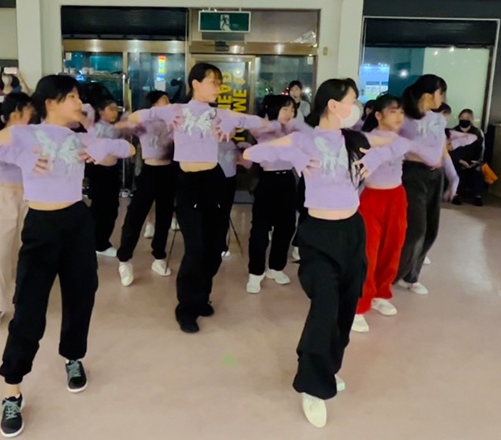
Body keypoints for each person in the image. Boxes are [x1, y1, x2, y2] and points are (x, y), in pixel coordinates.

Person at [0, 74, 134, 438]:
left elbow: (127, 150)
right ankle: (12, 390)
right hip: (41, 225)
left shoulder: (78, 137)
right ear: (51, 102)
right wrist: (16, 155)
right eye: (72, 97)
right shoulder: (24, 133)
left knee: (81, 295)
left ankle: (73, 357)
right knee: (29, 307)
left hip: (77, 222)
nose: (79, 103)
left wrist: (99, 149)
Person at [243, 78, 397, 428]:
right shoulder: (305, 138)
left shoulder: (354, 140)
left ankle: (327, 367)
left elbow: (394, 145)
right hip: (319, 233)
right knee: (325, 307)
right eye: (352, 101)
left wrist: (376, 157)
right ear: (333, 104)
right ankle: (312, 386)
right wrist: (294, 155)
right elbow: (252, 153)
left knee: (345, 308)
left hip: (352, 231)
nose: (356, 107)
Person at [129, 62, 268, 334]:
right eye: (213, 82)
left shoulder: (219, 114)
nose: (218, 87)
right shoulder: (176, 110)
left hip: (213, 180)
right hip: (188, 183)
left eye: (219, 82)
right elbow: (135, 117)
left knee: (215, 246)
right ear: (195, 83)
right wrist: (164, 122)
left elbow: (259, 122)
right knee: (195, 248)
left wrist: (239, 125)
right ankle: (186, 308)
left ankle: (202, 296)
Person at [351, 94, 444, 333]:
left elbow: (434, 158)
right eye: (393, 111)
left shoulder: (403, 140)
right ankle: (359, 305)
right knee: (369, 252)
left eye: (402, 111)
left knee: (393, 247)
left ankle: (381, 293)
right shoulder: (366, 138)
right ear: (378, 115)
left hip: (397, 197)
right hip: (372, 198)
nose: (399, 116)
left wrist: (435, 133)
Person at [394, 75, 459, 295]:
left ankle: (411, 276)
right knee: (416, 229)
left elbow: (441, 151)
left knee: (431, 229)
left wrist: (453, 176)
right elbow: (394, 145)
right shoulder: (403, 118)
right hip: (411, 175)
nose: (443, 98)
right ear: (428, 95)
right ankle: (391, 276)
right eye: (441, 93)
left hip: (435, 176)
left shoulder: (439, 120)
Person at [0, 93, 34, 328]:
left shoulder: (35, 136)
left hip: (33, 198)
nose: (29, 116)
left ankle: (25, 299)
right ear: (12, 114)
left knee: (27, 252)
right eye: (25, 111)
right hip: (5, 196)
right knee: (0, 250)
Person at [245, 94, 307, 294]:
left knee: (286, 227)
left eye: (292, 110)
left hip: (287, 180)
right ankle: (255, 272)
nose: (290, 113)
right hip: (267, 181)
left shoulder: (294, 131)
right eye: (285, 109)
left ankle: (276, 267)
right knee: (260, 230)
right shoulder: (264, 129)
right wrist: (274, 124)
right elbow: (252, 126)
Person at [116, 90, 175, 286]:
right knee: (135, 216)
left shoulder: (173, 122)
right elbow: (123, 124)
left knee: (165, 216)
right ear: (153, 105)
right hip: (149, 172)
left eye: (168, 101)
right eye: (163, 101)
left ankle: (159, 256)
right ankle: (124, 259)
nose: (168, 105)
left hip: (168, 172)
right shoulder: (143, 121)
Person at [86, 93, 129, 257]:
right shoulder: (94, 126)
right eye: (110, 109)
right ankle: (97, 243)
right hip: (99, 172)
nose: (114, 113)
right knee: (100, 208)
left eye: (116, 109)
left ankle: (101, 241)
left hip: (112, 171)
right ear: (100, 111)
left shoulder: (115, 127)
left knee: (111, 208)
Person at [450, 109, 486, 206]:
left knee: (478, 172)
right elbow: (450, 150)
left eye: (467, 118)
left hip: (473, 162)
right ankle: (454, 195)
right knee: (455, 170)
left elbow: (480, 149)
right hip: (457, 161)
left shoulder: (477, 132)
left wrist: (476, 162)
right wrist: (460, 160)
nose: (464, 119)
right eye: (462, 117)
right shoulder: (453, 131)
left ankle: (478, 197)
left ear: (472, 119)